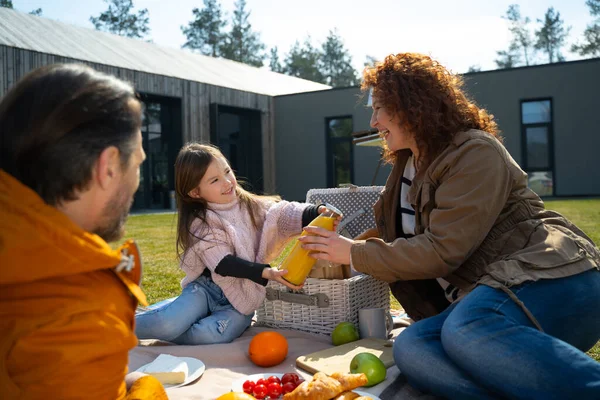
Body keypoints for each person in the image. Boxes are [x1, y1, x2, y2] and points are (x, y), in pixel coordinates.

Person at [299, 53, 600, 399]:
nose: (374, 120)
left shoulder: (475, 153)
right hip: (486, 301)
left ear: (410, 106)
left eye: (379, 107)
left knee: (464, 329)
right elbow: (395, 239)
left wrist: (352, 253)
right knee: (412, 347)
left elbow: (442, 250)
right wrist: (337, 248)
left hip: (553, 279)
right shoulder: (407, 164)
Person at [0, 64, 167, 399]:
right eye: (136, 164)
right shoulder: (81, 315)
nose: (135, 183)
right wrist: (148, 388)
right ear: (107, 168)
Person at [135, 143, 330, 344]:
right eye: (215, 180)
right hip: (205, 289)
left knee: (208, 336)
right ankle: (114, 327)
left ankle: (175, 314)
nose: (227, 182)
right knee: (168, 324)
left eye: (227, 171)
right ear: (195, 192)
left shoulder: (253, 206)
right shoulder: (201, 221)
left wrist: (317, 211)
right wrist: (266, 273)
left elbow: (284, 213)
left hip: (241, 301)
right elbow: (223, 263)